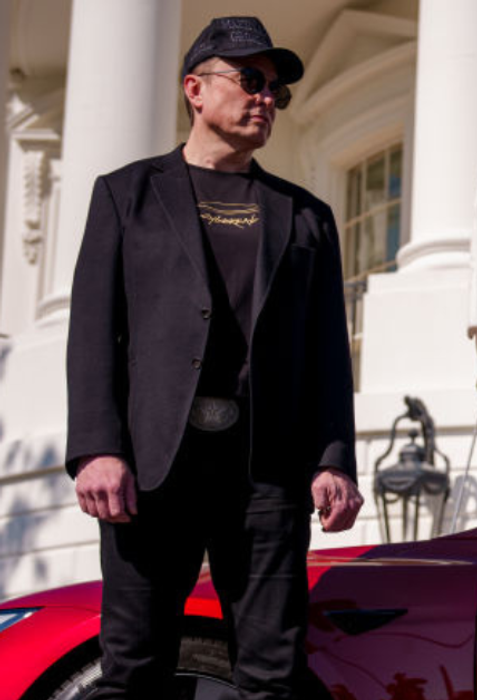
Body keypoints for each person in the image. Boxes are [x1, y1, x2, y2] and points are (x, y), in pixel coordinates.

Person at [65, 16, 363, 699]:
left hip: (267, 474)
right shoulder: (126, 194)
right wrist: (96, 449)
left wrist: (333, 457)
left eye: (277, 91)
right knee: (131, 670)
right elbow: (94, 332)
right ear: (195, 89)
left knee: (272, 675)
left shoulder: (306, 214)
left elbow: (325, 352)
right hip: (150, 470)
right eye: (250, 80)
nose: (266, 98)